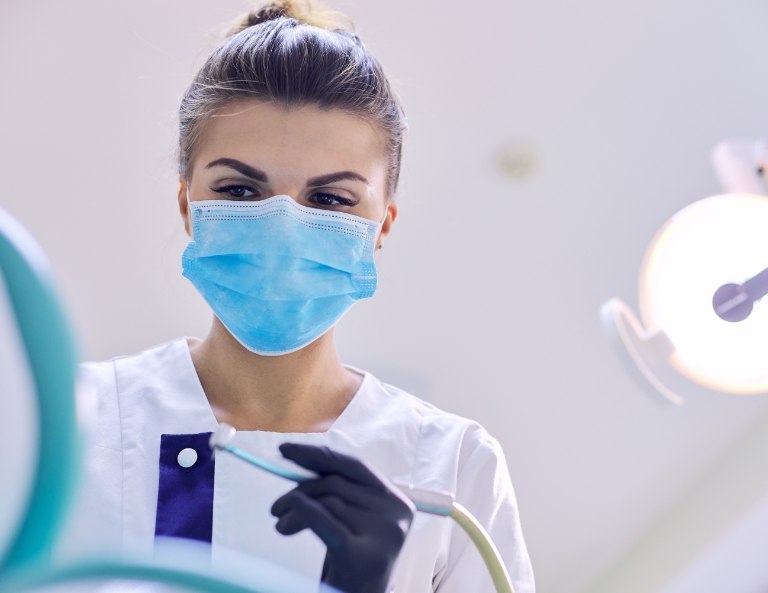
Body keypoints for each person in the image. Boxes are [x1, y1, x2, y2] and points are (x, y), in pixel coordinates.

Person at [56, 2, 536, 592]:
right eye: (239, 188)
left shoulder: (451, 470)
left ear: (381, 225)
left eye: (331, 200)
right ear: (189, 206)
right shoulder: (70, 422)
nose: (282, 226)